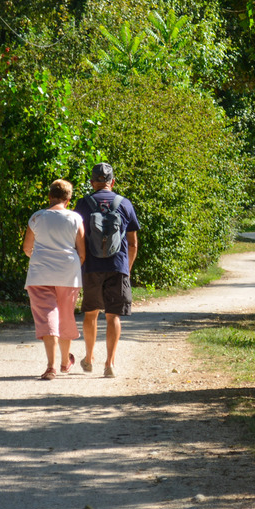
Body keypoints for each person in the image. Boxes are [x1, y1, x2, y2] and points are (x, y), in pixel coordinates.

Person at [74, 162, 140, 378]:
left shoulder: (83, 204)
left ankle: (89, 358)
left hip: (91, 266)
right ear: (113, 182)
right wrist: (126, 270)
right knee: (113, 316)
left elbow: (78, 238)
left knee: (91, 313)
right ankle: (110, 363)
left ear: (92, 182)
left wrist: (81, 262)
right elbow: (133, 243)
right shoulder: (125, 203)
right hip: (117, 265)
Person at [23, 179, 86, 381]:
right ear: (68, 200)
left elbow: (27, 248)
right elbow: (82, 252)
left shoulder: (37, 217)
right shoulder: (75, 218)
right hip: (68, 274)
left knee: (47, 316)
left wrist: (39, 258)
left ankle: (51, 366)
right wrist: (74, 265)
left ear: (49, 196)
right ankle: (65, 362)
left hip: (40, 274)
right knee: (65, 315)